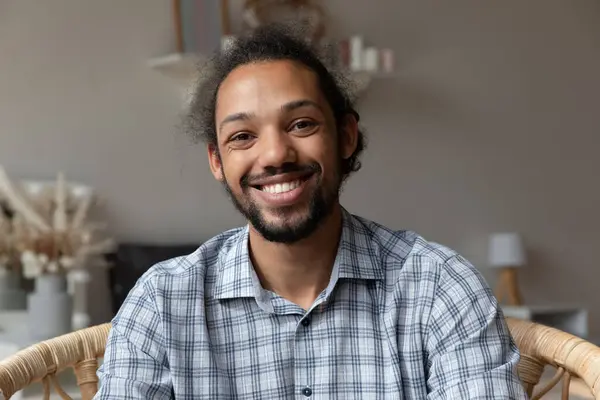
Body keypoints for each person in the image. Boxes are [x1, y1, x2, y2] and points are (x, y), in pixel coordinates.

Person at [95, 24, 527, 399]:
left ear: (345, 136)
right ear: (217, 161)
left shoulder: (440, 290)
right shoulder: (162, 304)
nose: (275, 155)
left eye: (301, 124)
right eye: (242, 136)